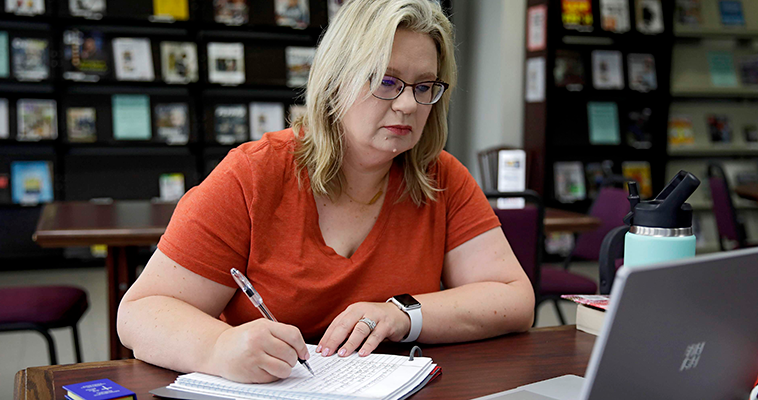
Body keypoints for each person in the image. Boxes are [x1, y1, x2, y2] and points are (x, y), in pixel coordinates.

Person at [117, 0, 534, 385]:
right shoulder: (254, 174)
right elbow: (140, 313)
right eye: (385, 81)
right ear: (336, 80)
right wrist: (218, 347)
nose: (408, 104)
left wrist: (401, 314)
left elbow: (514, 299)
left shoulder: (440, 176)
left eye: (424, 86)